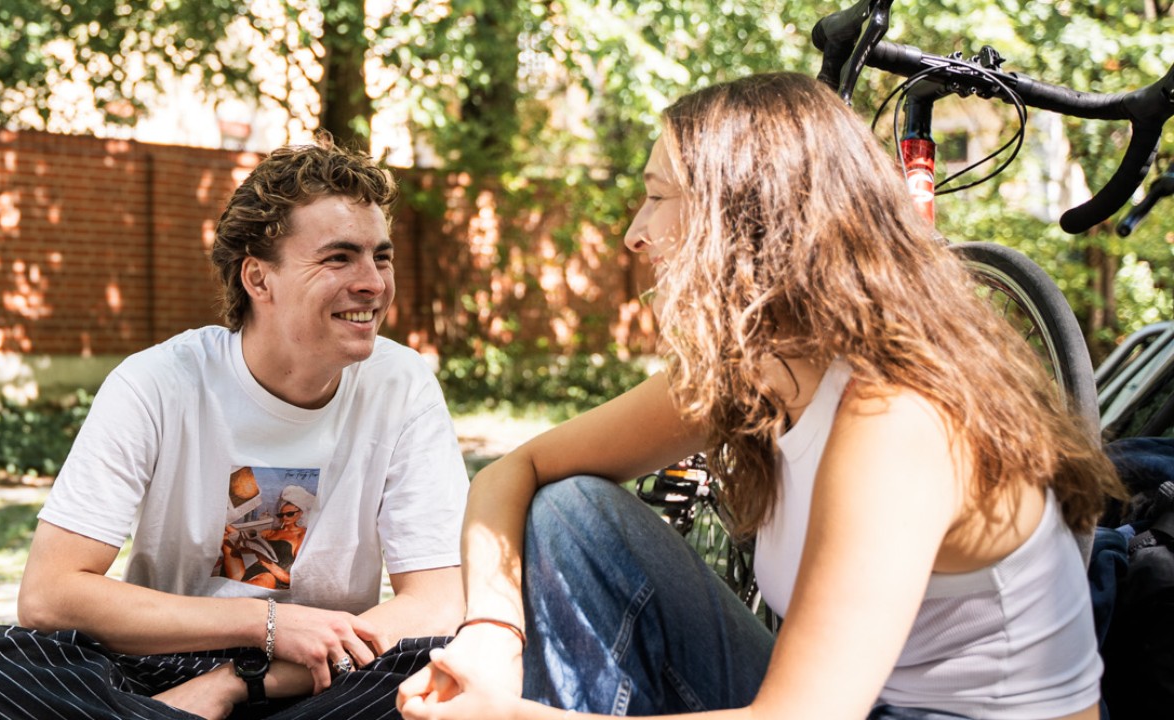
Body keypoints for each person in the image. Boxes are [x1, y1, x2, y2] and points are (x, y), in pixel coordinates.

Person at [396, 72, 1122, 720]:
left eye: (655, 198)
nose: (632, 235)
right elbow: (510, 472)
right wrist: (492, 633)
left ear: (747, 222)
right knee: (574, 514)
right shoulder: (757, 368)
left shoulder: (896, 416)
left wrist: (512, 717)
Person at [0, 142, 469, 720]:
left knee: (442, 667)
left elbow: (437, 601)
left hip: (312, 679)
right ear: (258, 279)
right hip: (159, 664)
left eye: (381, 257)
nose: (372, 283)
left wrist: (239, 682)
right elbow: (50, 593)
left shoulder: (402, 384)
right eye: (339, 257)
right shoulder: (157, 383)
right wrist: (264, 624)